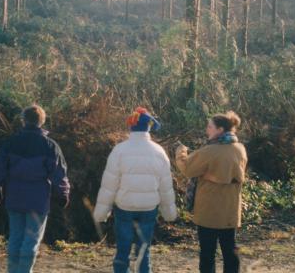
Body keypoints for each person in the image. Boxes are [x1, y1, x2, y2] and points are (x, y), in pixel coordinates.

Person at [93, 107, 177, 273]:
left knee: (122, 251)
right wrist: (169, 212)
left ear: (131, 127)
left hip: (124, 207)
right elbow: (166, 187)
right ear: (149, 128)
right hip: (149, 208)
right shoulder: (159, 152)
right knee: (143, 252)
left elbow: (109, 185)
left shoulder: (120, 150)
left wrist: (101, 213)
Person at [0, 104, 70, 273]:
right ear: (42, 121)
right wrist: (63, 193)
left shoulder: (11, 143)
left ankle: (13, 271)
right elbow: (59, 173)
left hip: (14, 196)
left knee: (15, 237)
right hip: (38, 199)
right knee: (31, 240)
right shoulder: (50, 146)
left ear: (23, 120)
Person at [175, 111, 247, 273]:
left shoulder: (209, 151)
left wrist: (181, 152)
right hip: (230, 210)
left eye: (210, 127)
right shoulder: (240, 149)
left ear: (220, 129)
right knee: (230, 251)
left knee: (207, 254)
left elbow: (187, 169)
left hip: (209, 211)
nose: (207, 130)